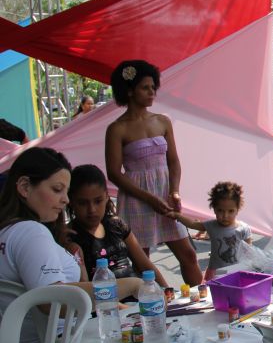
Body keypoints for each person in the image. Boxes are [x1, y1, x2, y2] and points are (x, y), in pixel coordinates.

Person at [0, 147, 141, 343]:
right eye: (57, 189)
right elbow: (55, 300)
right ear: (24, 187)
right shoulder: (30, 232)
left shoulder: (7, 232)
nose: (65, 199)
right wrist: (132, 285)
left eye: (66, 191)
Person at [104, 60, 203, 286]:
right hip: (136, 200)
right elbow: (114, 173)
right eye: (145, 88)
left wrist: (174, 191)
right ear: (129, 91)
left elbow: (174, 162)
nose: (152, 92)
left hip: (165, 197)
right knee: (142, 263)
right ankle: (157, 302)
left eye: (153, 87)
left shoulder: (163, 121)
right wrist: (149, 198)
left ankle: (200, 300)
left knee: (188, 255)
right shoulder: (117, 128)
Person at [67, 164, 167, 287]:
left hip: (137, 294)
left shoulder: (116, 225)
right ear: (71, 202)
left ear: (106, 197)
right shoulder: (70, 238)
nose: (92, 209)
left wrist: (168, 291)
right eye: (83, 203)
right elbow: (84, 289)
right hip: (104, 297)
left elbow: (146, 266)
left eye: (98, 201)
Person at [170, 181, 252, 281]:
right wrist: (178, 216)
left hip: (236, 271)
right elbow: (193, 224)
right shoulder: (212, 225)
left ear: (237, 210)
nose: (225, 215)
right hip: (215, 272)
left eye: (230, 211)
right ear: (214, 209)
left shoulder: (244, 229)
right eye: (220, 210)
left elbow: (248, 253)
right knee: (214, 290)